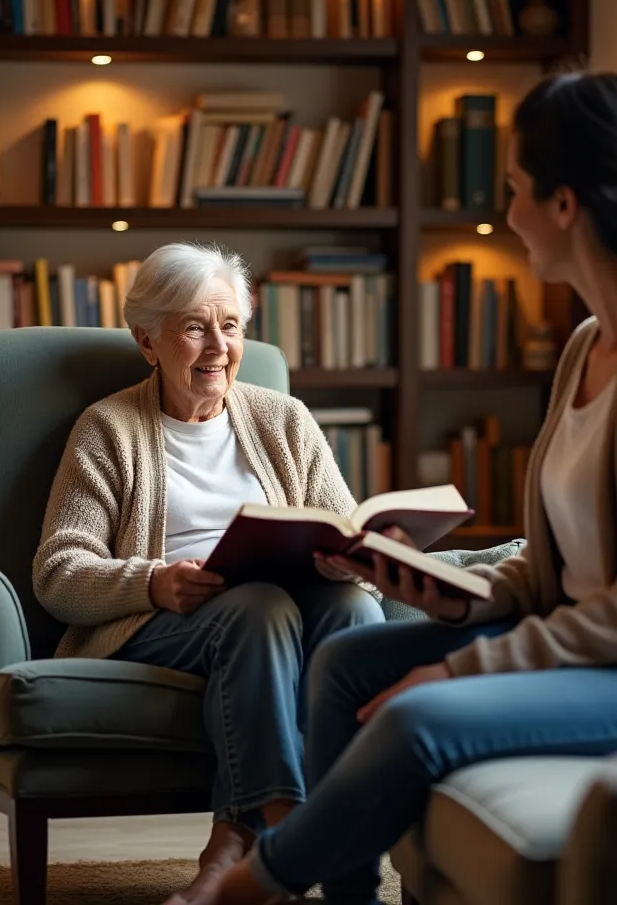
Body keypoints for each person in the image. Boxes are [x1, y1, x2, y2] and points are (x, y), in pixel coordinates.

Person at [213, 71, 617, 905]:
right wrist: (445, 589)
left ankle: (255, 884)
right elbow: (558, 566)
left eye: (514, 189)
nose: (507, 213)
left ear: (564, 205)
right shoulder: (588, 346)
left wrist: (466, 670)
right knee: (344, 664)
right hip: (616, 644)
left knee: (417, 716)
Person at [31, 242, 384, 905]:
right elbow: (58, 571)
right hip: (164, 619)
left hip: (278, 610)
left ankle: (320, 841)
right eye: (195, 327)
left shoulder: (284, 421)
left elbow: (351, 539)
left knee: (355, 611)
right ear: (147, 341)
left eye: (230, 326)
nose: (219, 347)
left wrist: (345, 561)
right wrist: (153, 581)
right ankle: (270, 839)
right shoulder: (108, 429)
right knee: (259, 608)